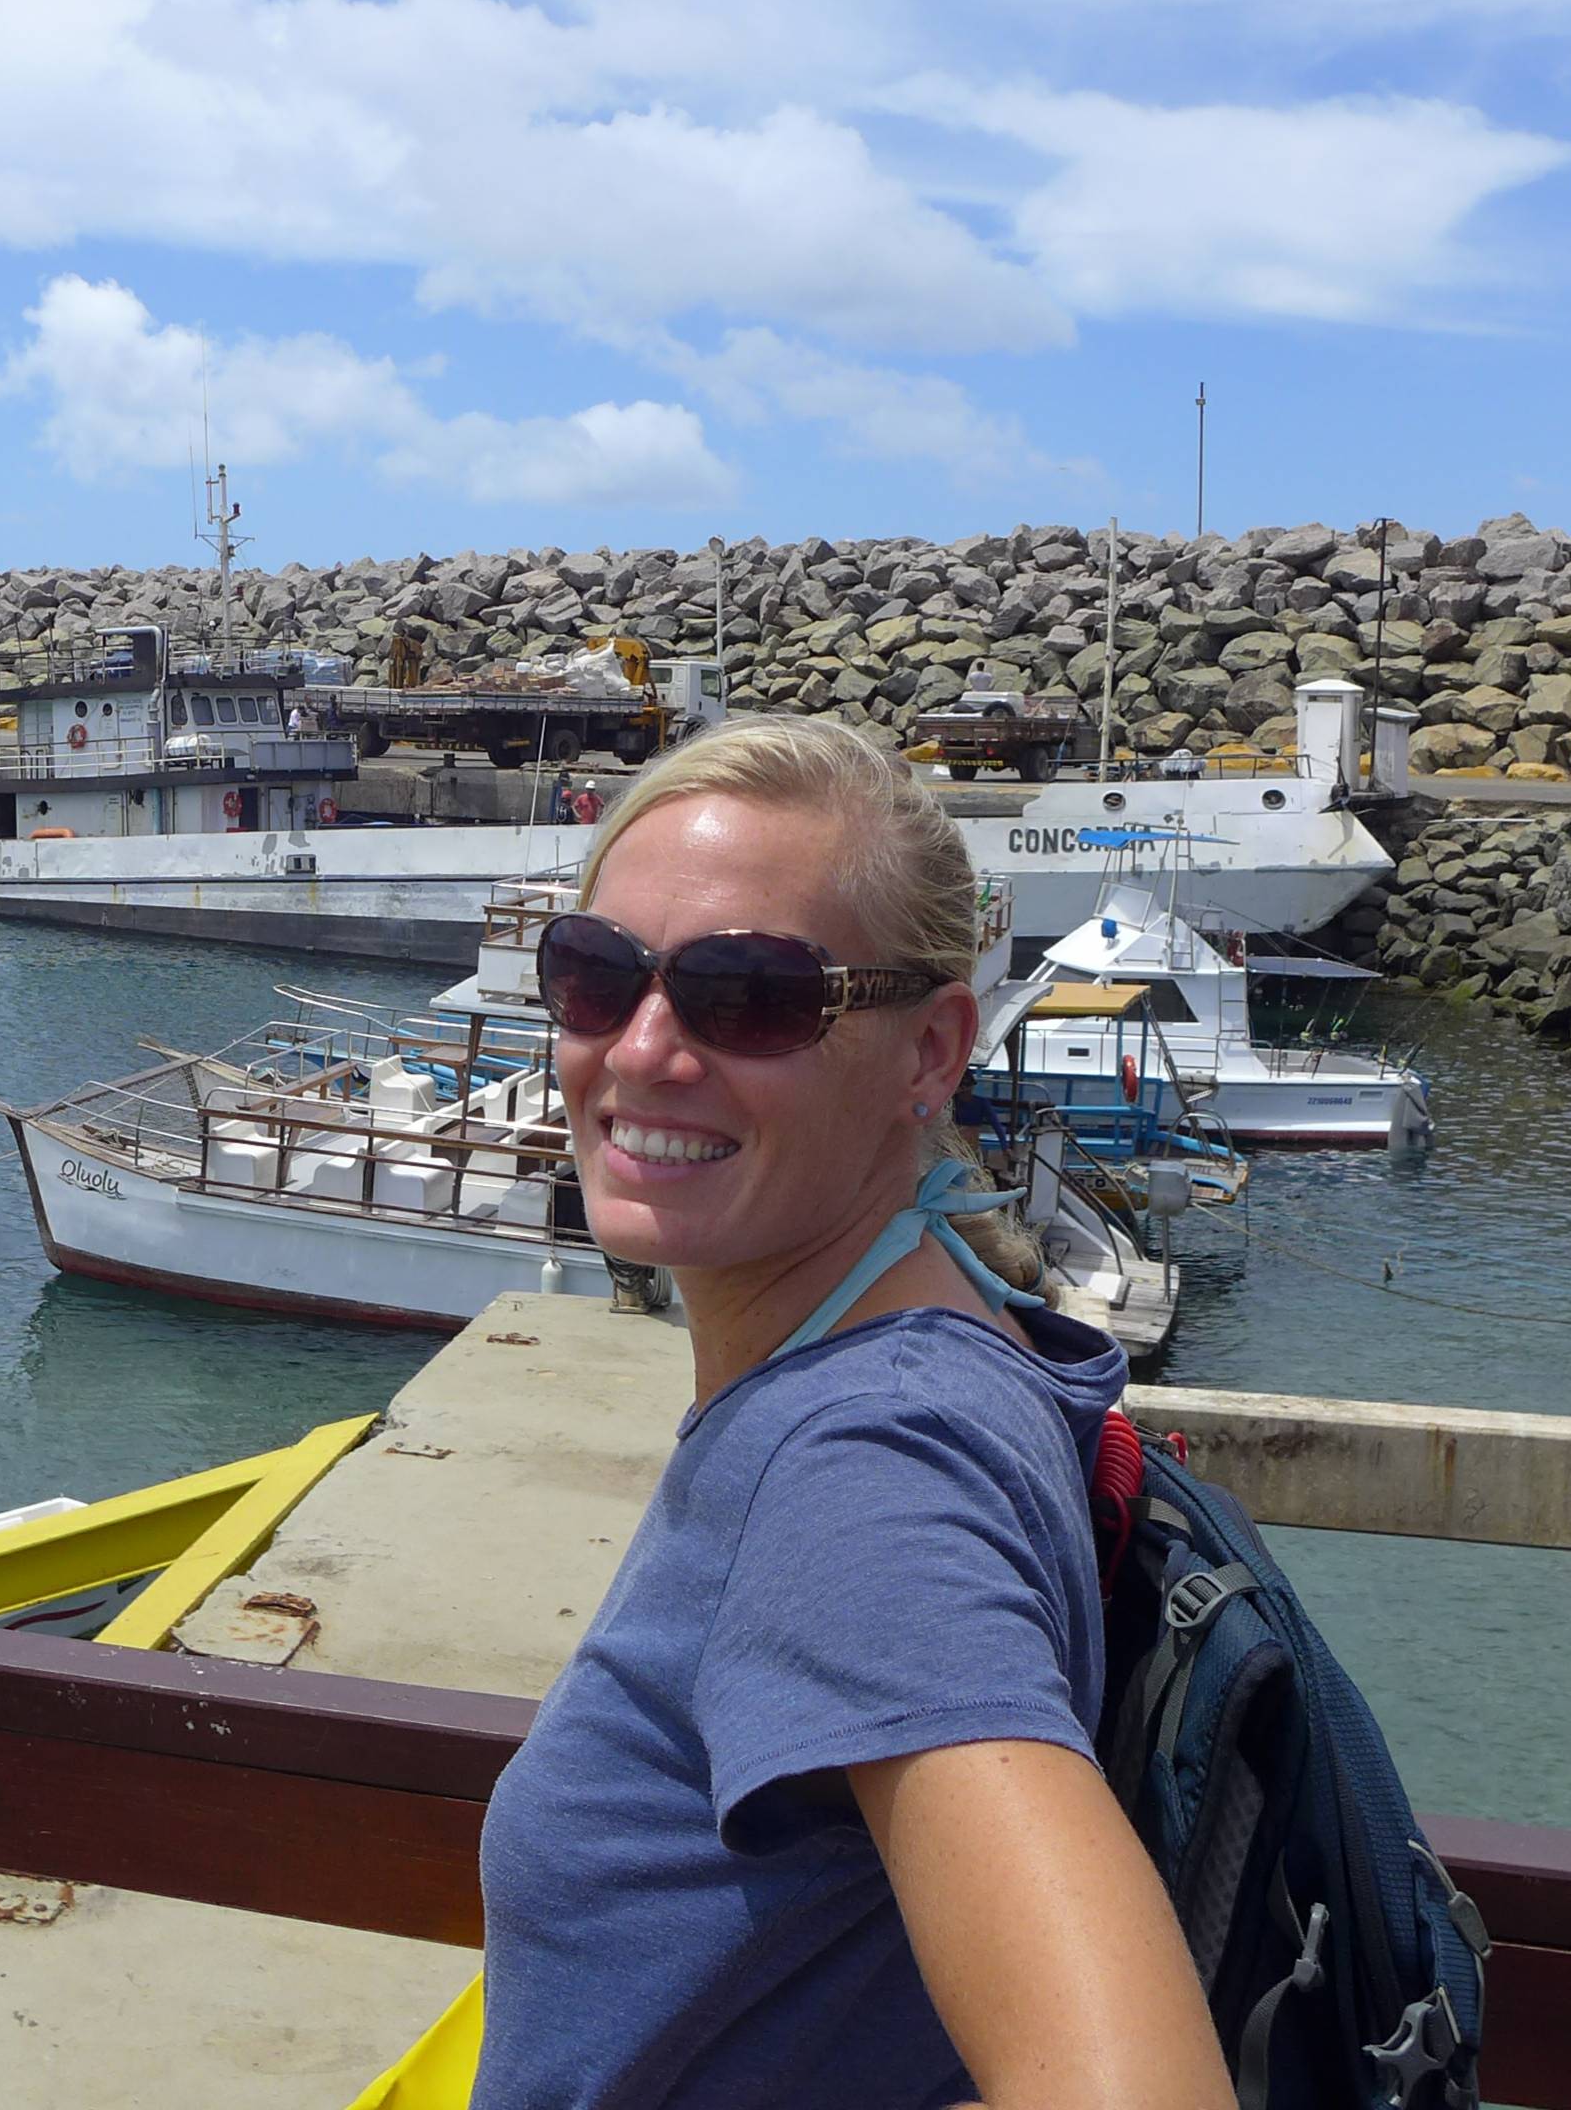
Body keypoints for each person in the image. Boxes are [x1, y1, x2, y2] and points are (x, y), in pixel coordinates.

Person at [474, 715, 1227, 2110]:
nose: (642, 1050)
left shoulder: (864, 1463)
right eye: (594, 976)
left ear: (930, 1051)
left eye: (750, 996)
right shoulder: (950, 1346)